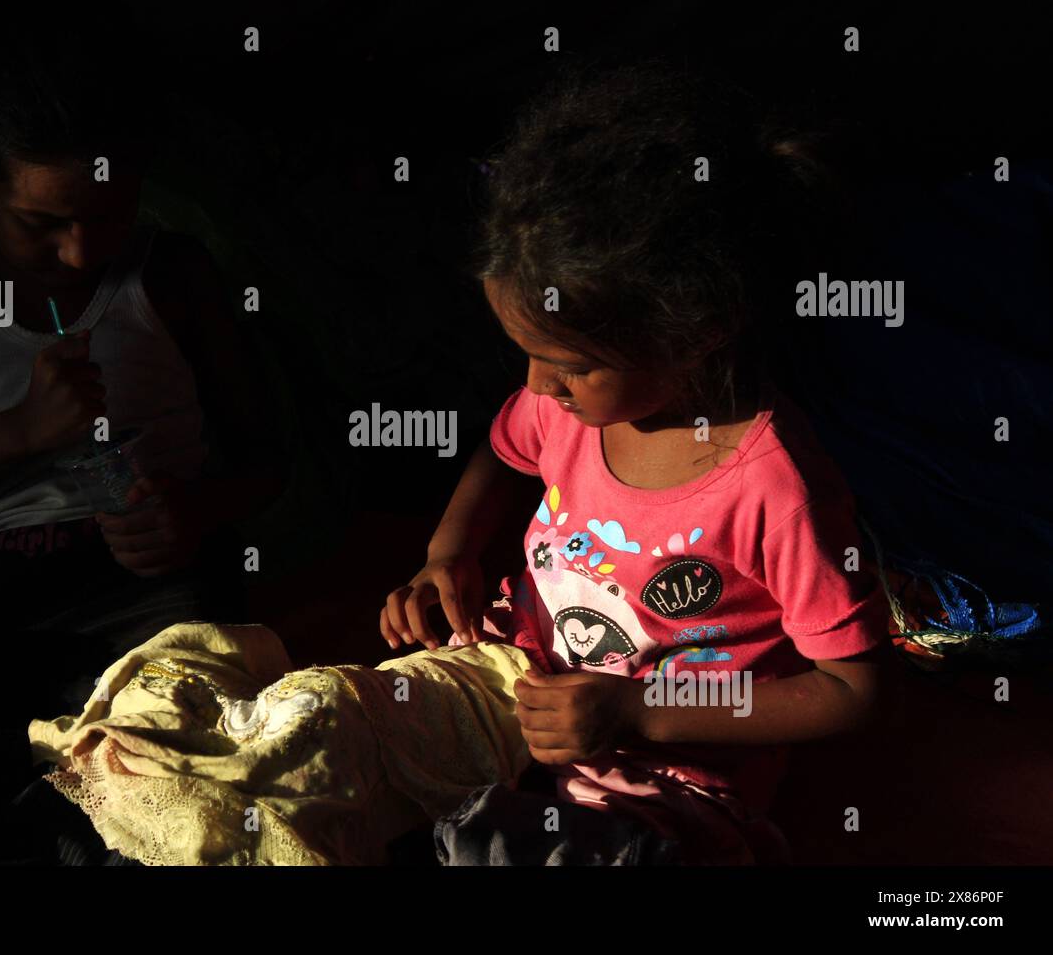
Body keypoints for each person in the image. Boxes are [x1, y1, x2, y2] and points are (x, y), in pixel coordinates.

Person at [380, 61, 890, 863]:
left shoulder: (775, 488)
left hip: (666, 780)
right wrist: (450, 553)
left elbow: (849, 691)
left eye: (568, 366)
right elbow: (503, 451)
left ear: (696, 328)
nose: (537, 387)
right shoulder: (566, 409)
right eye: (526, 356)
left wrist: (641, 711)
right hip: (506, 685)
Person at [0, 22, 282, 652]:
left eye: (111, 215)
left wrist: (195, 512)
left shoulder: (172, 273)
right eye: (40, 223)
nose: (79, 254)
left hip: (156, 583)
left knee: (175, 701)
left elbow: (265, 462)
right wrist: (22, 430)